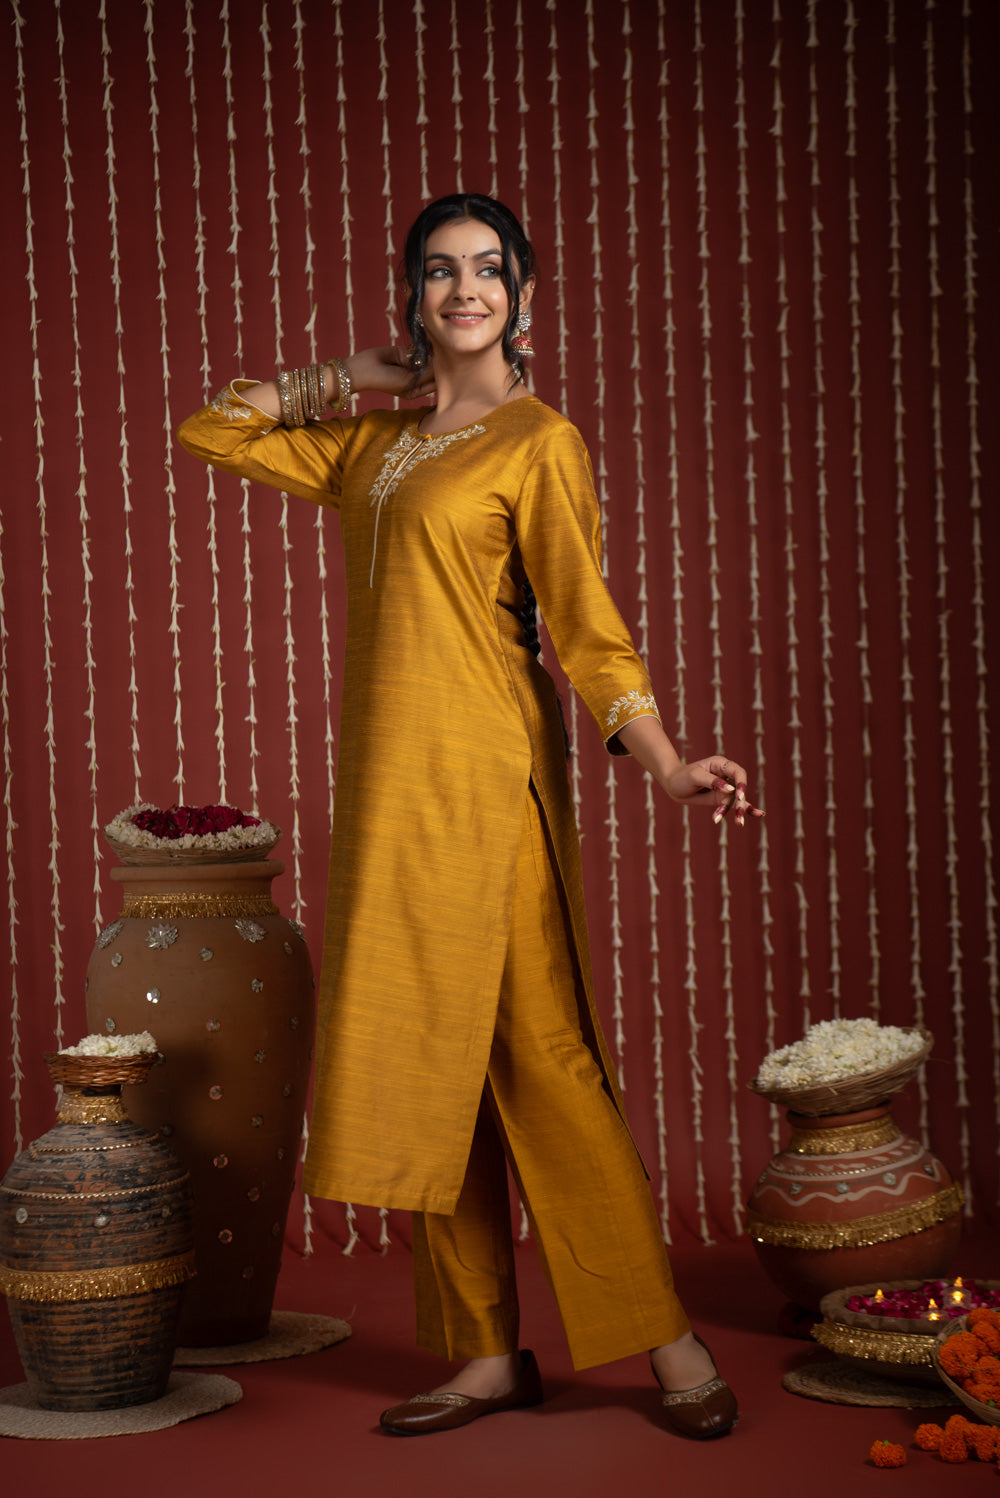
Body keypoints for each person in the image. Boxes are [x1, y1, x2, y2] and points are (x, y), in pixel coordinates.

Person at [177, 192, 762, 1440]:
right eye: (438, 271)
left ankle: (666, 1335)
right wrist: (350, 374)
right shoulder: (372, 448)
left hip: (489, 784)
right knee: (429, 1064)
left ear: (523, 295)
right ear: (413, 296)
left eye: (488, 269)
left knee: (543, 1059)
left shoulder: (539, 442)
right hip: (390, 796)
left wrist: (662, 761)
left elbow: (585, 626)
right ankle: (485, 1354)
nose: (464, 290)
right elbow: (214, 429)